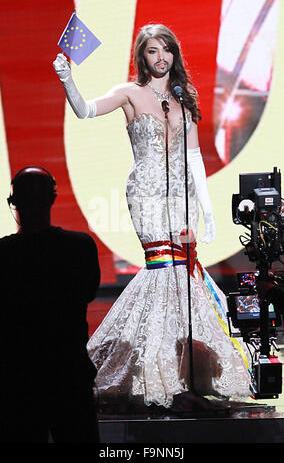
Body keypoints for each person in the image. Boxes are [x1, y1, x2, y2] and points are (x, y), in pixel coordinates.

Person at [53, 24, 251, 411]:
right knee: (163, 267)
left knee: (182, 274)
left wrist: (204, 212)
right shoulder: (129, 93)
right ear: (142, 57)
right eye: (152, 52)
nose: (160, 59)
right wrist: (66, 78)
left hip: (180, 195)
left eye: (166, 51)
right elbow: (85, 110)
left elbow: (193, 159)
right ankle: (149, 370)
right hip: (145, 192)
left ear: (174, 55)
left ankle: (180, 371)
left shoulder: (183, 97)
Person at [0, 166, 101, 442]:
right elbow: (89, 293)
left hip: (17, 380)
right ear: (52, 199)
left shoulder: (3, 254)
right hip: (69, 375)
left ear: (14, 203)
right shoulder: (80, 246)